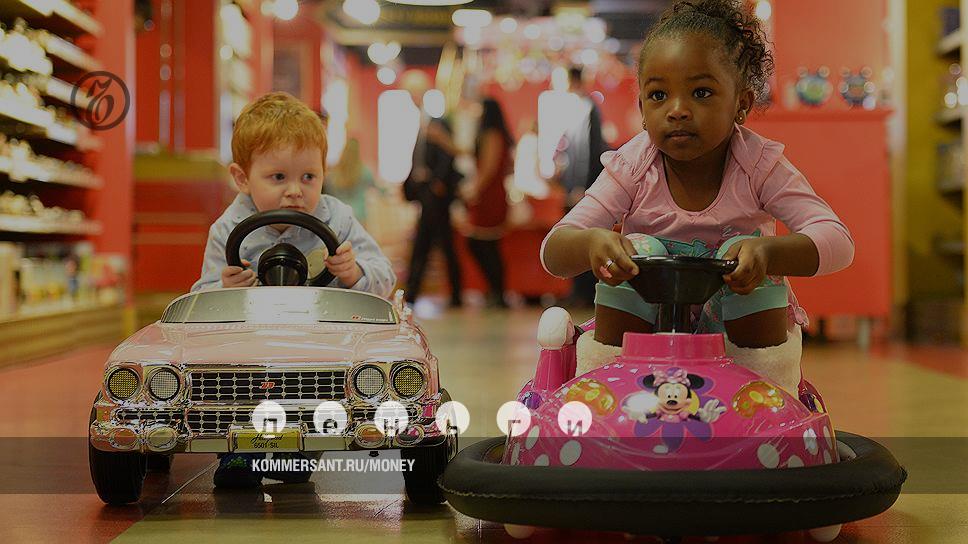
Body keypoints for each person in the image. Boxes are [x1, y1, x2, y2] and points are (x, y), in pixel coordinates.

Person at [540, 0, 854, 395]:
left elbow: (837, 240)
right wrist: (592, 244)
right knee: (637, 251)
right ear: (641, 108)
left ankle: (766, 393)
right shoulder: (632, 166)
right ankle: (610, 387)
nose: (677, 110)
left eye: (701, 92)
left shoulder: (759, 165)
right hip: (644, 347)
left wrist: (769, 253)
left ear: (741, 104)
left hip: (738, 349)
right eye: (658, 95)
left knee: (748, 252)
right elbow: (554, 250)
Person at [191, 91, 396, 487]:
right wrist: (224, 288)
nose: (295, 191)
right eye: (278, 178)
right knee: (237, 385)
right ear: (242, 178)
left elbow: (384, 277)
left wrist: (355, 273)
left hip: (319, 342)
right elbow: (201, 301)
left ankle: (300, 448)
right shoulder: (226, 228)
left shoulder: (337, 218)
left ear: (323, 173)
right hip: (249, 346)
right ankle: (238, 452)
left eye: (308, 177)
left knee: (316, 388)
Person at [400, 70, 464, 307]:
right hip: (426, 193)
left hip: (436, 195)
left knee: (433, 244)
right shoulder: (423, 122)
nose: (412, 97)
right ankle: (417, 292)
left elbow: (449, 154)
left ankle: (421, 292)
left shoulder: (438, 121)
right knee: (430, 243)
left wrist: (438, 183)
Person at [557, 66, 610, 308]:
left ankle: (585, 293)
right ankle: (578, 291)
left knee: (582, 235)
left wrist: (581, 185)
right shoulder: (580, 108)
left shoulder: (588, 108)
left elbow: (588, 152)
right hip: (575, 186)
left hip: (583, 187)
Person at [464, 98, 512, 308]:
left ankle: (497, 292)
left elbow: (489, 167)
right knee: (486, 246)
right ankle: (496, 292)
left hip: (489, 196)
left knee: (484, 245)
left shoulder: (491, 134)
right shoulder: (495, 134)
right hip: (490, 194)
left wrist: (474, 189)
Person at [325, 137, 376, 225]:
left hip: (338, 215)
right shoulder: (365, 172)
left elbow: (328, 193)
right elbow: (376, 187)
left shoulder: (334, 173)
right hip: (359, 216)